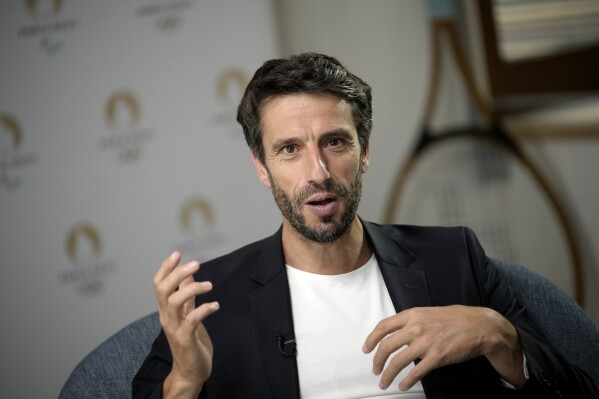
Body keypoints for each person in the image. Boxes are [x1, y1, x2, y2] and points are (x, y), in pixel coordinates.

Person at [133, 52, 598, 398]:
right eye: (289, 149)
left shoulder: (454, 259)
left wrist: (498, 335)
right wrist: (185, 381)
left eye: (335, 142)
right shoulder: (211, 300)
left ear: (365, 150)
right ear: (261, 166)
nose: (317, 171)